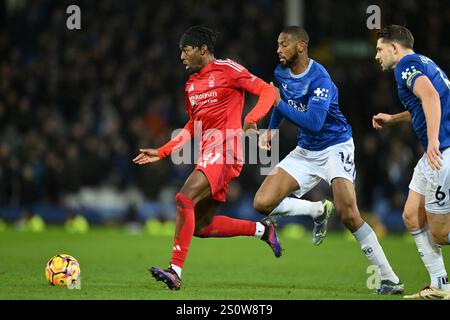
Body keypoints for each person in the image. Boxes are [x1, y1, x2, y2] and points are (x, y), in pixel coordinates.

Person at [253, 26, 403, 294]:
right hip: (306, 150)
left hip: (335, 146)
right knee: (262, 203)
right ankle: (317, 210)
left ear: (301, 46)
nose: (278, 49)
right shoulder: (280, 73)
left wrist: (277, 104)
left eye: (284, 44)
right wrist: (270, 132)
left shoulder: (319, 77)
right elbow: (282, 101)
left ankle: (389, 277)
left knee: (348, 213)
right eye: (277, 44)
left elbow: (314, 121)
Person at [133, 25, 280, 290]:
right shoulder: (191, 85)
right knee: (201, 226)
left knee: (183, 198)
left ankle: (175, 270)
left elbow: (269, 92)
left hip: (226, 151)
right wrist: (163, 151)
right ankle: (263, 230)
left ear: (203, 49)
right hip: (209, 154)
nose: (181, 56)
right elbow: (192, 124)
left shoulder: (228, 70)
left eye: (186, 50)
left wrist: (251, 118)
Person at [373, 24, 450, 299]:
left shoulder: (405, 65)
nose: (377, 55)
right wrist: (394, 119)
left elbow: (429, 96)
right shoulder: (424, 62)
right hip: (437, 151)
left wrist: (432, 141)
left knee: (440, 234)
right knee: (411, 216)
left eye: (380, 49)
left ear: (395, 48)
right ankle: (440, 285)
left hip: (441, 151)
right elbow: (426, 101)